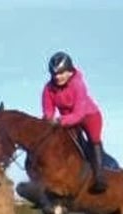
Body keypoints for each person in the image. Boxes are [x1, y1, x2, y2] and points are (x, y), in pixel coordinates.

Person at [42, 51, 108, 192]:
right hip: (67, 119)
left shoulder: (78, 85)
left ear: (70, 72)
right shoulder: (48, 89)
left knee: (93, 140)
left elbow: (78, 114)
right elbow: (48, 111)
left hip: (89, 116)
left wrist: (59, 121)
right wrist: (48, 121)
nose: (57, 77)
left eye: (61, 73)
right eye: (54, 74)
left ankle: (99, 176)